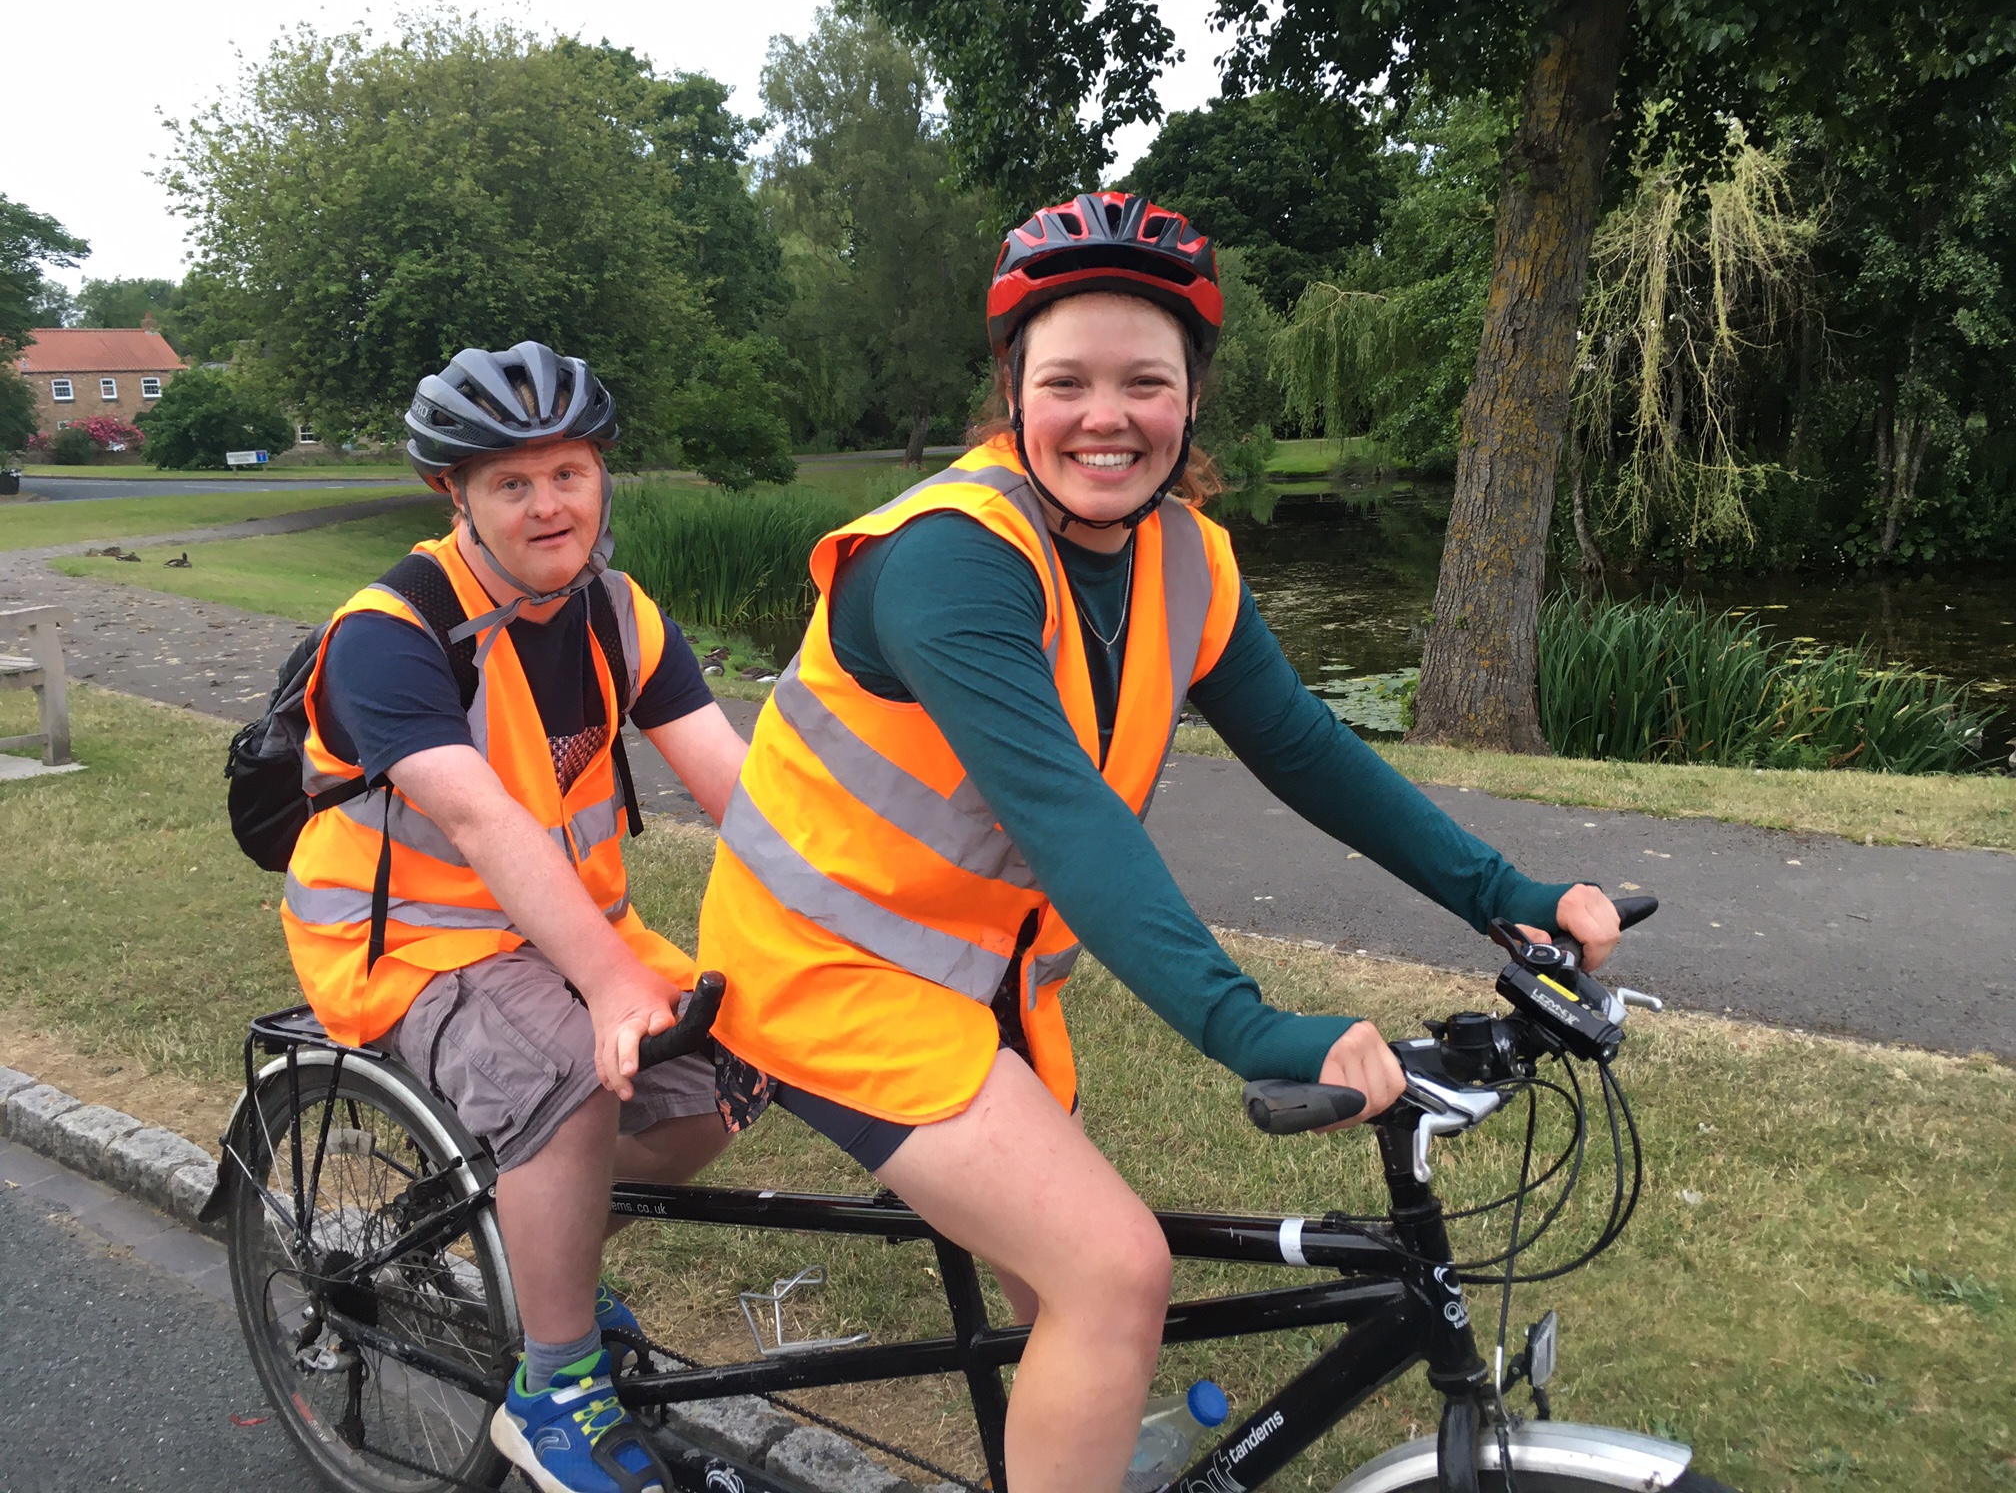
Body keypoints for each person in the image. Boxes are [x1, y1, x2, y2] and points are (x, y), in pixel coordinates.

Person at [696, 193, 1624, 1493]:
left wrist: (1504, 895)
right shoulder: (946, 563)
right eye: (1066, 381)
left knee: (1065, 1294)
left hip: (996, 984)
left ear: (1191, 400)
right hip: (832, 973)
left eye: (1148, 381)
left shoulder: (1184, 557)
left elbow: (1306, 751)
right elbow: (1068, 821)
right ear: (1013, 394)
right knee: (1112, 1269)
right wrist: (1254, 1029)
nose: (1107, 416)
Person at [281, 341, 746, 1493]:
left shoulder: (616, 610)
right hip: (410, 948)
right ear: (457, 495)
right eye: (512, 481)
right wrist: (611, 986)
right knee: (576, 1075)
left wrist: (874, 913)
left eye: (571, 473)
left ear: (601, 477)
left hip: (565, 924)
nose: (551, 505)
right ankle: (552, 1390)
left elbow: (739, 787)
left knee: (737, 1072)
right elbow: (487, 827)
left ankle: (535, 1261)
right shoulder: (389, 631)